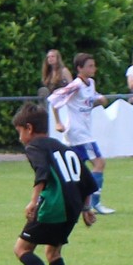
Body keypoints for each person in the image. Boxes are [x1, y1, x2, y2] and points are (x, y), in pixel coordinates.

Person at [12, 102, 98, 265]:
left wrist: (33, 201)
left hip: (54, 205)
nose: (20, 138)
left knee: (22, 249)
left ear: (29, 128)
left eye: (19, 132)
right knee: (53, 252)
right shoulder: (64, 148)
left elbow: (41, 172)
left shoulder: (34, 147)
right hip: (73, 208)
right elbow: (88, 180)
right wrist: (87, 208)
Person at [47, 52, 115, 215]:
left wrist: (99, 100)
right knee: (99, 163)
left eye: (94, 65)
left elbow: (87, 103)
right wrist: (58, 122)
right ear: (79, 69)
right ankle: (94, 203)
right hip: (79, 134)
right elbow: (54, 101)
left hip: (80, 133)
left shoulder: (90, 83)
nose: (94, 68)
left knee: (75, 172)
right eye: (90, 66)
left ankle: (69, 201)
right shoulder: (75, 85)